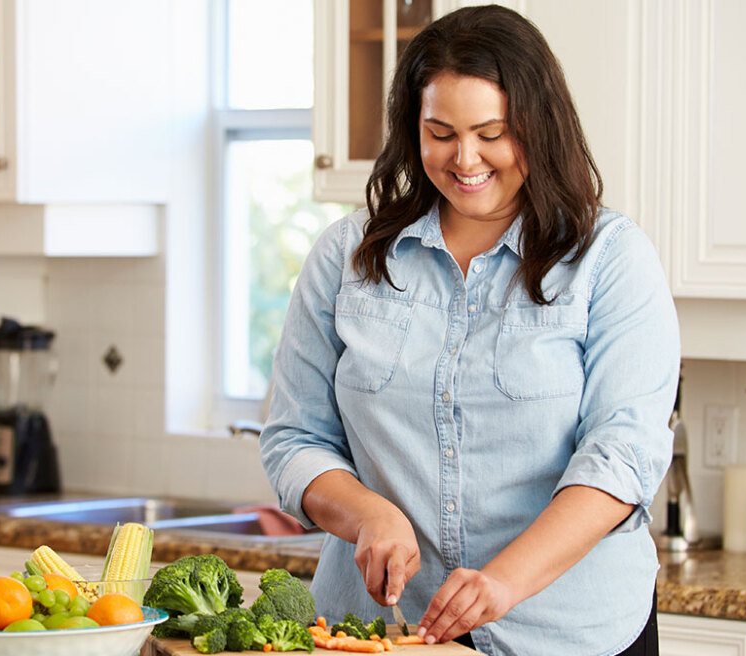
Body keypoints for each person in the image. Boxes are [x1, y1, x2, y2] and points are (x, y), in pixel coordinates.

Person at [259, 6, 678, 655]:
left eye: (492, 132)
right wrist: (369, 515)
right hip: (382, 632)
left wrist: (503, 583)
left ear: (538, 127)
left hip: (568, 632)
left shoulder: (611, 259)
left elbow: (621, 457)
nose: (465, 158)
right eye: (441, 132)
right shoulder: (347, 258)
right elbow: (294, 438)